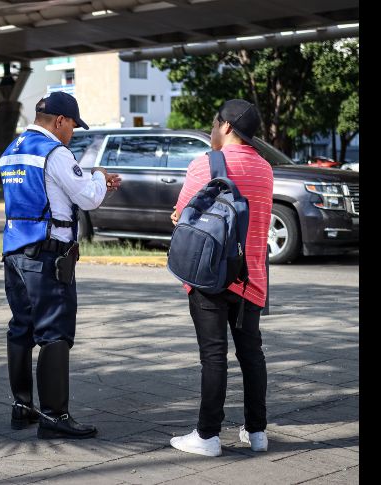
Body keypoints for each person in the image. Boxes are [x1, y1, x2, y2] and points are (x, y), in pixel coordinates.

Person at [0, 91, 121, 439]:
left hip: (14, 251)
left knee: (21, 328)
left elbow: (46, 194)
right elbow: (89, 197)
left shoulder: (13, 151)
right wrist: (99, 175)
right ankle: (55, 417)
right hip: (48, 256)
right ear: (59, 121)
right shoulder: (54, 152)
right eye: (72, 126)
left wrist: (90, 182)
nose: (72, 133)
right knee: (54, 333)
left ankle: (22, 408)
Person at [169, 99, 273, 457]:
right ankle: (257, 432)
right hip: (252, 276)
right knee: (252, 354)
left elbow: (182, 214)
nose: (212, 130)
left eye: (215, 124)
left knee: (213, 356)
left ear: (226, 126)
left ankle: (208, 436)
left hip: (210, 275)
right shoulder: (265, 169)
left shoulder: (204, 164)